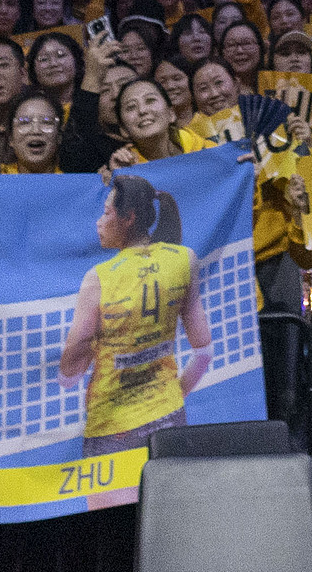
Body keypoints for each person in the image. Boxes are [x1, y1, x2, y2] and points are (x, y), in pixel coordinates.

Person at [57, 173, 211, 509]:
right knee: (169, 524)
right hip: (171, 418)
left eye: (106, 214)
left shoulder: (98, 279)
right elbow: (204, 353)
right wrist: (174, 393)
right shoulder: (183, 259)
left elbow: (69, 374)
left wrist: (66, 372)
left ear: (128, 219)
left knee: (114, 535)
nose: (98, 223)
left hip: (112, 431)